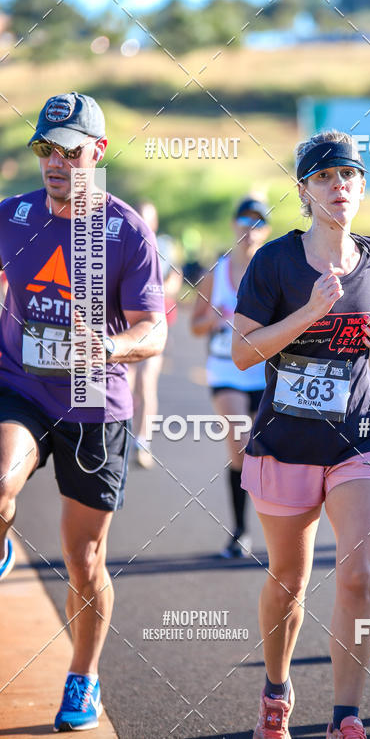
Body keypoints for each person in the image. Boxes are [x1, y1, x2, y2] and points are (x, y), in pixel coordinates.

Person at [0, 92, 166, 731]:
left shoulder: (126, 230)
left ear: (98, 152)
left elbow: (154, 328)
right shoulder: (12, 216)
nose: (56, 162)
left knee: (85, 560)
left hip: (95, 403)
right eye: (46, 149)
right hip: (21, 385)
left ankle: (84, 675)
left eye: (70, 151)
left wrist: (110, 346)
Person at [232, 131, 370, 739]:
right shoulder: (274, 261)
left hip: (361, 432)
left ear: (362, 187)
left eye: (348, 175)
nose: (338, 186)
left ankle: (345, 716)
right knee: (288, 582)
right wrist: (307, 313)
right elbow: (243, 352)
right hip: (287, 442)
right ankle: (276, 690)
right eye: (324, 177)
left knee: (358, 575)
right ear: (304, 191)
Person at [191, 196, 270, 557]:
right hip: (226, 370)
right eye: (244, 221)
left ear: (266, 230)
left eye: (258, 223)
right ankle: (240, 530)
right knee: (240, 444)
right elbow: (195, 326)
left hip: (264, 373)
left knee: (264, 453)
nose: (250, 230)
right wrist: (215, 317)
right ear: (234, 225)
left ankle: (275, 529)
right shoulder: (216, 273)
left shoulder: (271, 272)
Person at [128, 200, 182, 468]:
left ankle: (142, 443)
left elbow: (175, 281)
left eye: (148, 218)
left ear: (155, 222)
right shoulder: (122, 243)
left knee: (146, 381)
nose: (143, 222)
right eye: (138, 216)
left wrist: (154, 290)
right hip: (124, 327)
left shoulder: (165, 247)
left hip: (153, 326)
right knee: (125, 384)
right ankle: (120, 436)